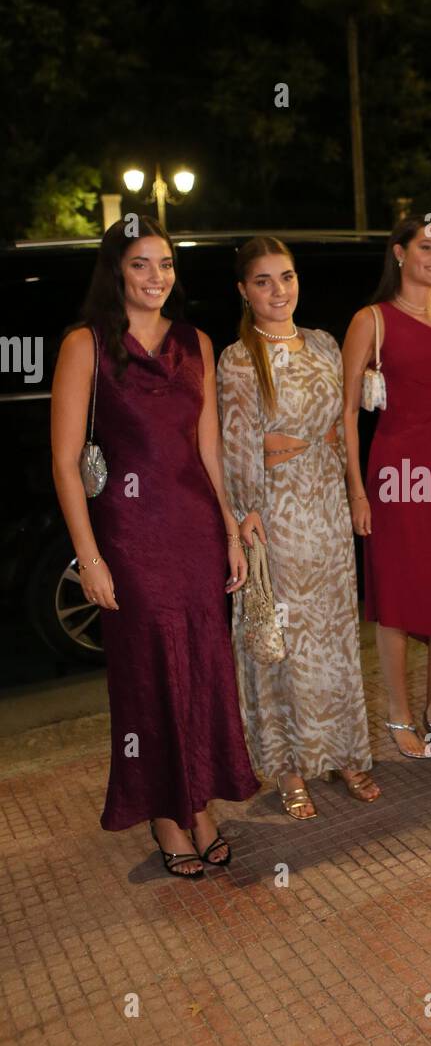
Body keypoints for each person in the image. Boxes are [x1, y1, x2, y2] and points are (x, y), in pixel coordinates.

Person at [50, 218, 258, 877]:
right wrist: (91, 559)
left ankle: (198, 803)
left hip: (194, 532)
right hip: (130, 537)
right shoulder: (85, 345)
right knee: (147, 677)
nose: (156, 277)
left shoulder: (196, 341)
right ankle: (165, 812)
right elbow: (62, 463)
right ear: (116, 272)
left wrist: (229, 531)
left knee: (201, 670)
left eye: (165, 264)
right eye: (140, 265)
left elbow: (209, 451)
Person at [217, 237, 378, 818]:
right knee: (281, 644)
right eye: (263, 281)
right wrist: (247, 512)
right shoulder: (238, 357)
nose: (278, 290)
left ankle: (345, 752)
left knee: (334, 640)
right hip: (277, 516)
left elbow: (342, 424)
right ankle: (287, 767)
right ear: (243, 291)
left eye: (285, 277)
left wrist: (351, 488)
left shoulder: (324, 344)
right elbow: (236, 441)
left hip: (326, 510)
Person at [342, 215, 431, 761]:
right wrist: (358, 490)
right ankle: (397, 713)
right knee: (399, 597)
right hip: (396, 473)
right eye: (427, 246)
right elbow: (348, 414)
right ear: (399, 253)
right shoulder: (370, 321)